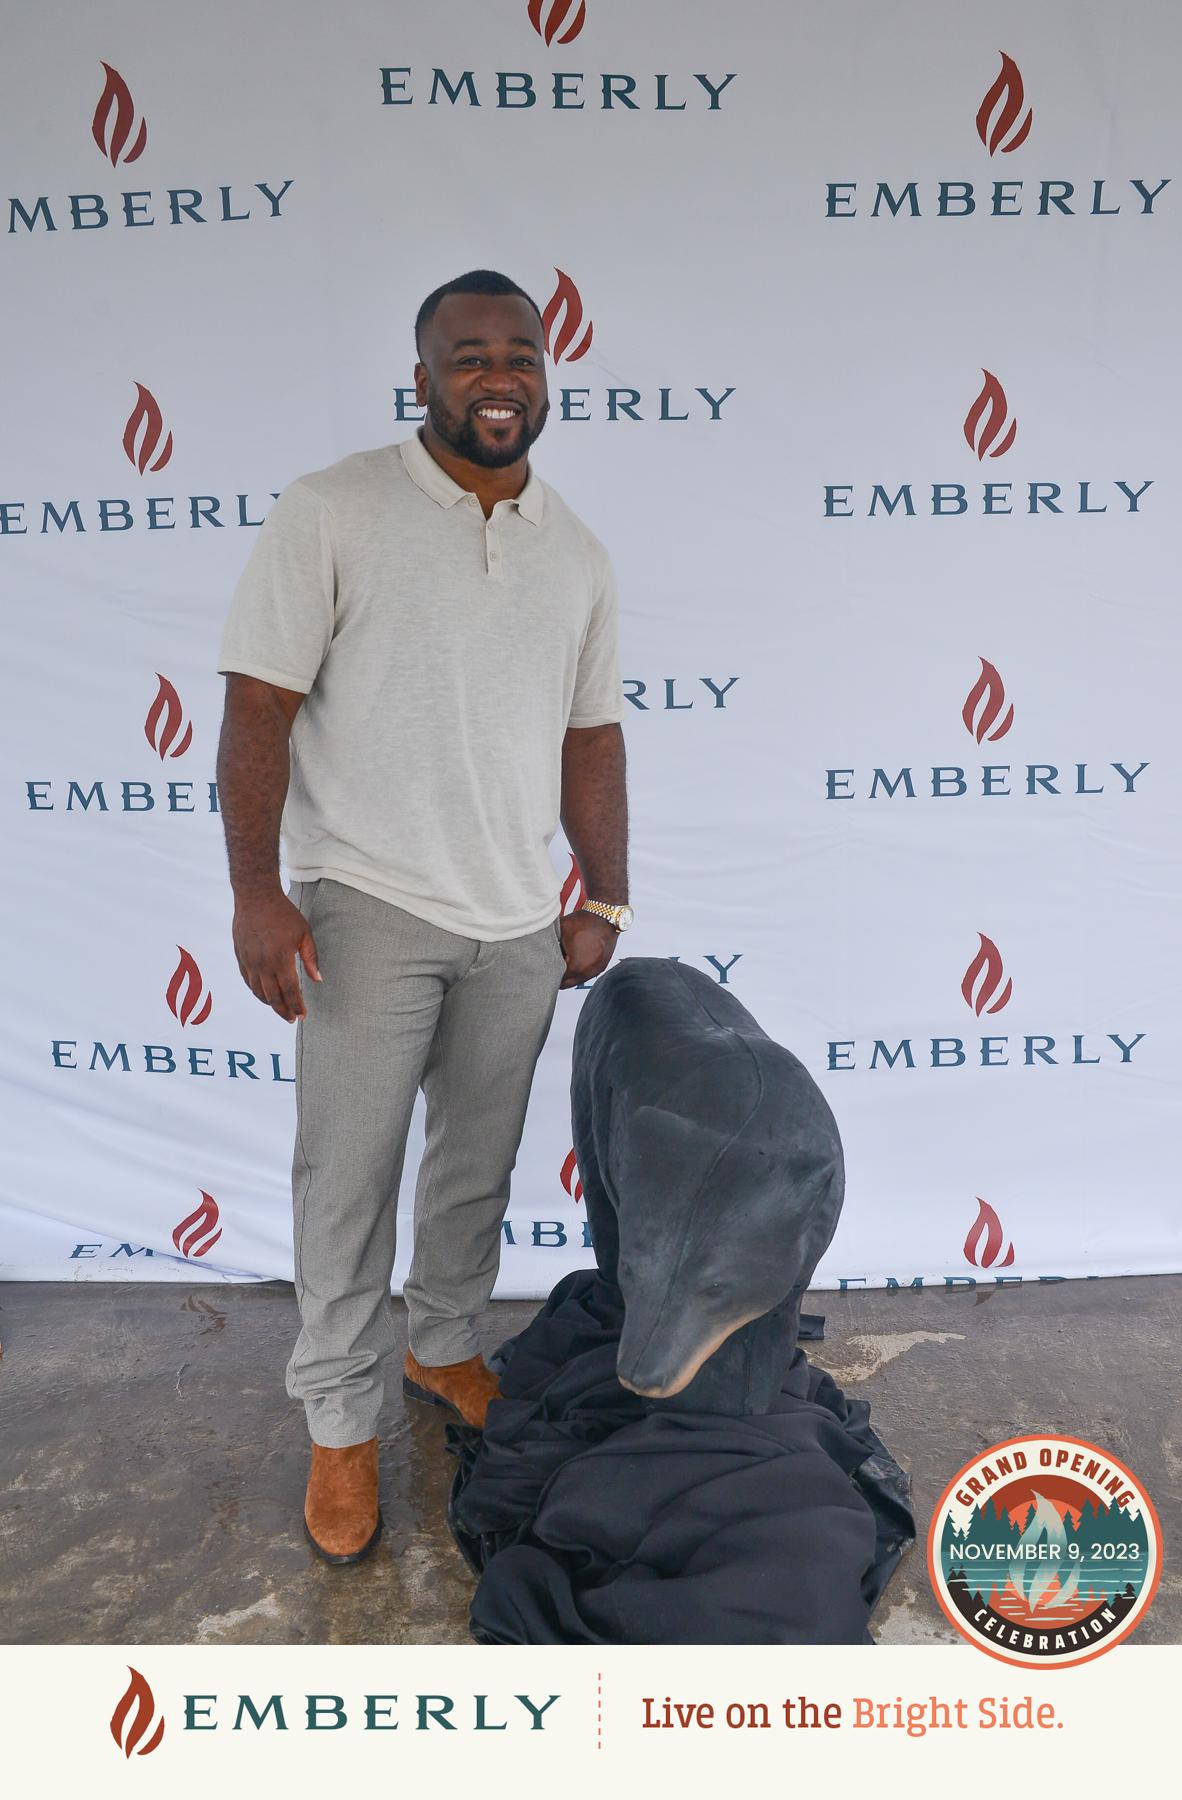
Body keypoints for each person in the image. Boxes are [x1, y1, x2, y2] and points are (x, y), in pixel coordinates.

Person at [213, 269, 632, 1564]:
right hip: (366, 905)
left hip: (514, 919)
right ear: (423, 379)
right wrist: (254, 894)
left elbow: (592, 735)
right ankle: (340, 1419)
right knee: (346, 1177)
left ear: (546, 374)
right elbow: (255, 709)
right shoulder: (333, 509)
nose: (495, 375)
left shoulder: (574, 546)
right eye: (467, 355)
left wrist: (600, 890)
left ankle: (443, 1345)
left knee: (473, 1168)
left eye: (519, 352)